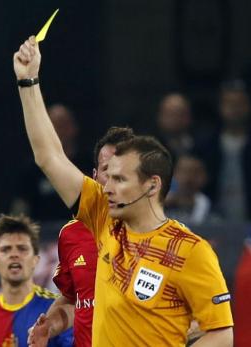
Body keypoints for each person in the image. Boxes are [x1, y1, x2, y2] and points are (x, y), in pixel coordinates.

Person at [13, 36, 233, 346]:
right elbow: (49, 157)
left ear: (151, 185)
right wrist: (28, 82)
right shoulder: (104, 221)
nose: (107, 187)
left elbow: (222, 334)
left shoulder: (190, 250)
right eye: (107, 177)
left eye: (120, 180)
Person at [45, 127, 135, 347]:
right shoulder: (71, 234)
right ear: (94, 176)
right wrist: (48, 326)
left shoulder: (162, 236)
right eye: (107, 169)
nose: (114, 178)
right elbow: (73, 300)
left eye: (122, 170)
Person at [0, 214, 73, 347]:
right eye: (6, 249)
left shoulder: (56, 310)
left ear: (36, 260)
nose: (14, 255)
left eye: (22, 249)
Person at [198, 79, 251, 221]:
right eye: (230, 104)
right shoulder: (206, 146)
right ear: (221, 107)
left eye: (240, 104)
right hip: (213, 219)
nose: (235, 109)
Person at [165, 153, 217, 225]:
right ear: (174, 174)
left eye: (195, 172)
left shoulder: (212, 210)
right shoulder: (158, 206)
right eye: (183, 172)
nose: (188, 178)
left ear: (205, 176)